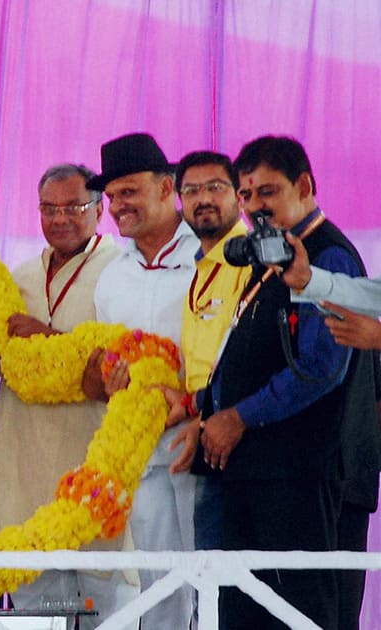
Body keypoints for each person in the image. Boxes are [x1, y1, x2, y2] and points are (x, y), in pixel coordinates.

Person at [171, 136, 373, 629]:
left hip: (300, 472)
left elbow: (320, 369)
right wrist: (203, 406)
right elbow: (255, 357)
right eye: (247, 195)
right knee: (244, 611)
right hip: (257, 470)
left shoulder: (327, 257)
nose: (254, 207)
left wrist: (236, 418)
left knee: (297, 613)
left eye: (268, 192)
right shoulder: (271, 257)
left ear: (304, 186)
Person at [0, 164, 132, 628]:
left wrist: (47, 338)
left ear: (100, 209)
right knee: (34, 614)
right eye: (49, 208)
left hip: (95, 468)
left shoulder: (123, 272)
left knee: (107, 612)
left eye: (74, 207)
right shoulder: (18, 278)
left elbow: (120, 361)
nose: (60, 218)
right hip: (22, 467)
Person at [84, 133, 199, 630]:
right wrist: (110, 380)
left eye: (128, 192)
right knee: (158, 580)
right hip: (144, 453)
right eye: (110, 197)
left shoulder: (212, 257)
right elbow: (110, 362)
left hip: (204, 443)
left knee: (214, 575)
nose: (117, 206)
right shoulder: (113, 276)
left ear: (166, 188)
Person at [165, 151, 251, 552]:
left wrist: (206, 410)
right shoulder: (199, 265)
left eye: (215, 188)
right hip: (206, 430)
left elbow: (249, 356)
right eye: (192, 190)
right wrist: (187, 403)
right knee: (210, 584)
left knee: (232, 583)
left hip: (242, 432)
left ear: (239, 195)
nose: (204, 199)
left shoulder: (251, 260)